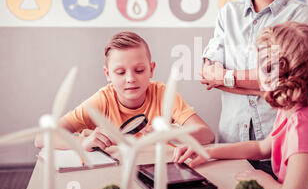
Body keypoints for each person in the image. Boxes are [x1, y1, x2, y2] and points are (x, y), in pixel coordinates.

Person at [174, 22, 308, 189]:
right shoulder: (299, 107)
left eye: (262, 67)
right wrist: (206, 151)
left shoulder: (304, 124)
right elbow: (262, 148)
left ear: (284, 75)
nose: (257, 73)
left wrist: (261, 179)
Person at [201, 0, 308, 175]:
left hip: (278, 144)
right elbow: (208, 73)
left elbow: (284, 81)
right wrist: (261, 85)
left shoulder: (298, 14)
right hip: (231, 144)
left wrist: (226, 78)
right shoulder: (228, 14)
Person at [34, 31, 215, 151]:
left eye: (139, 70)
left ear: (151, 69)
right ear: (108, 74)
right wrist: (83, 142)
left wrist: (172, 132)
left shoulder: (164, 94)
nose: (130, 79)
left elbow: (207, 135)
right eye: (120, 72)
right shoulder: (102, 100)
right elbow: (41, 138)